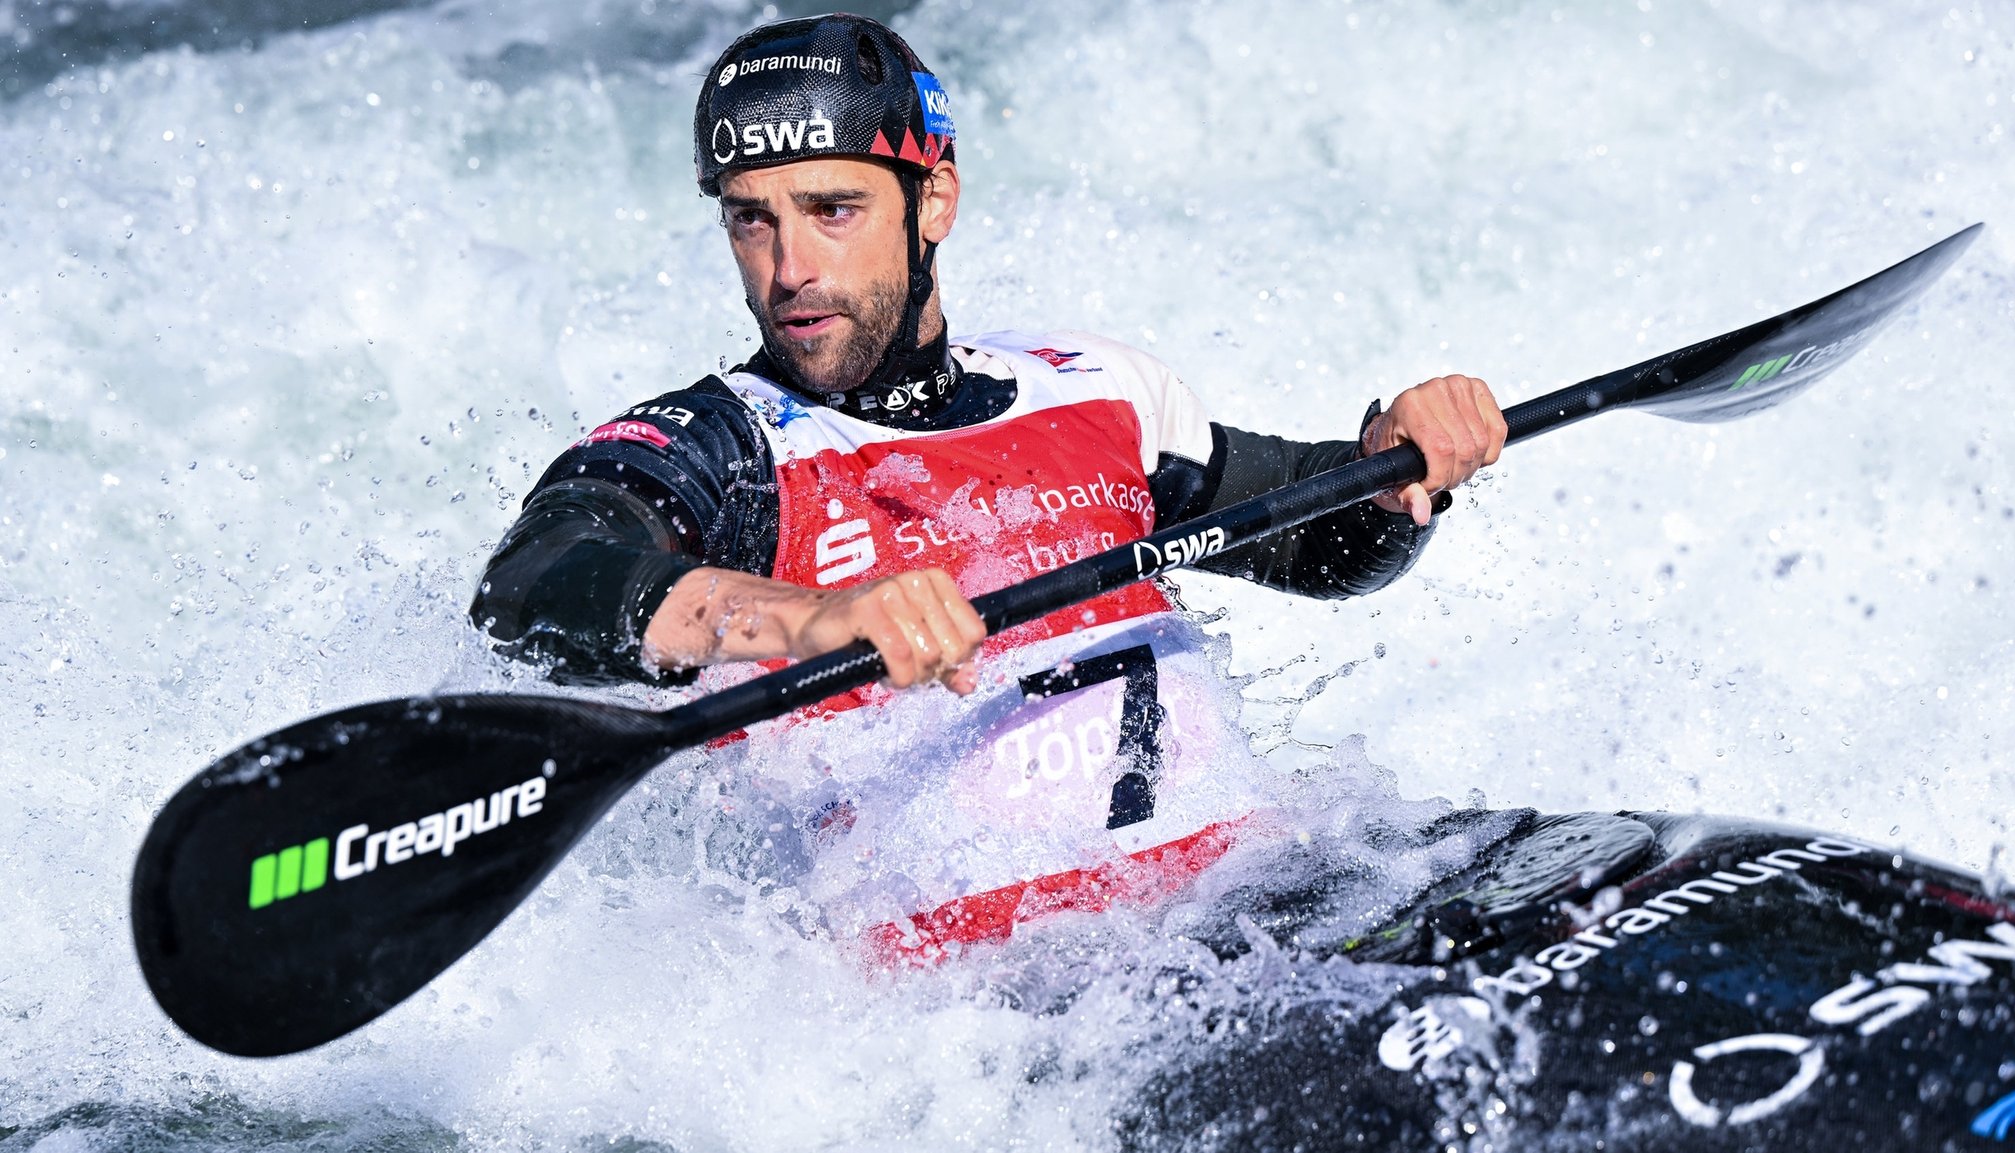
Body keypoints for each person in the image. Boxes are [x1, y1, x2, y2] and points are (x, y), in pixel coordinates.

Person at [471, 13, 1506, 960]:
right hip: (1007, 1013)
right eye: (751, 221)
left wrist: (1396, 464)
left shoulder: (1094, 390)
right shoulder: (723, 446)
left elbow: (1320, 547)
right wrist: (816, 617)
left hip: (1263, 905)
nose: (787, 268)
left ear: (935, 201)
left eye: (833, 210)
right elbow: (536, 581)